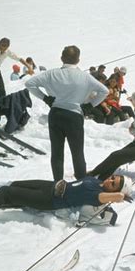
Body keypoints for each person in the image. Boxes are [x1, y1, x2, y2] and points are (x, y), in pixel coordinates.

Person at [25, 45, 109, 181]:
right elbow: (104, 91)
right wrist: (89, 106)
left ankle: (58, 184)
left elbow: (30, 83)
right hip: (74, 116)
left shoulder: (51, 73)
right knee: (77, 153)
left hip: (56, 114)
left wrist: (46, 98)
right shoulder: (85, 76)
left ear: (62, 58)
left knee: (57, 153)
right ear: (78, 60)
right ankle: (81, 183)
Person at [88, 90, 135, 180]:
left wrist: (131, 129)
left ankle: (92, 175)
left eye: (133, 101)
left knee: (115, 156)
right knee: (117, 159)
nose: (132, 104)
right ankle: (100, 179)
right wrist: (134, 127)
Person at [0, 174, 132, 215]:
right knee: (15, 185)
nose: (110, 180)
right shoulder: (98, 182)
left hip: (49, 200)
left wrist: (119, 196)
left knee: (5, 192)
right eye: (113, 177)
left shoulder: (99, 196)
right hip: (51, 186)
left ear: (114, 191)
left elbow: (113, 198)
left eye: (113, 184)